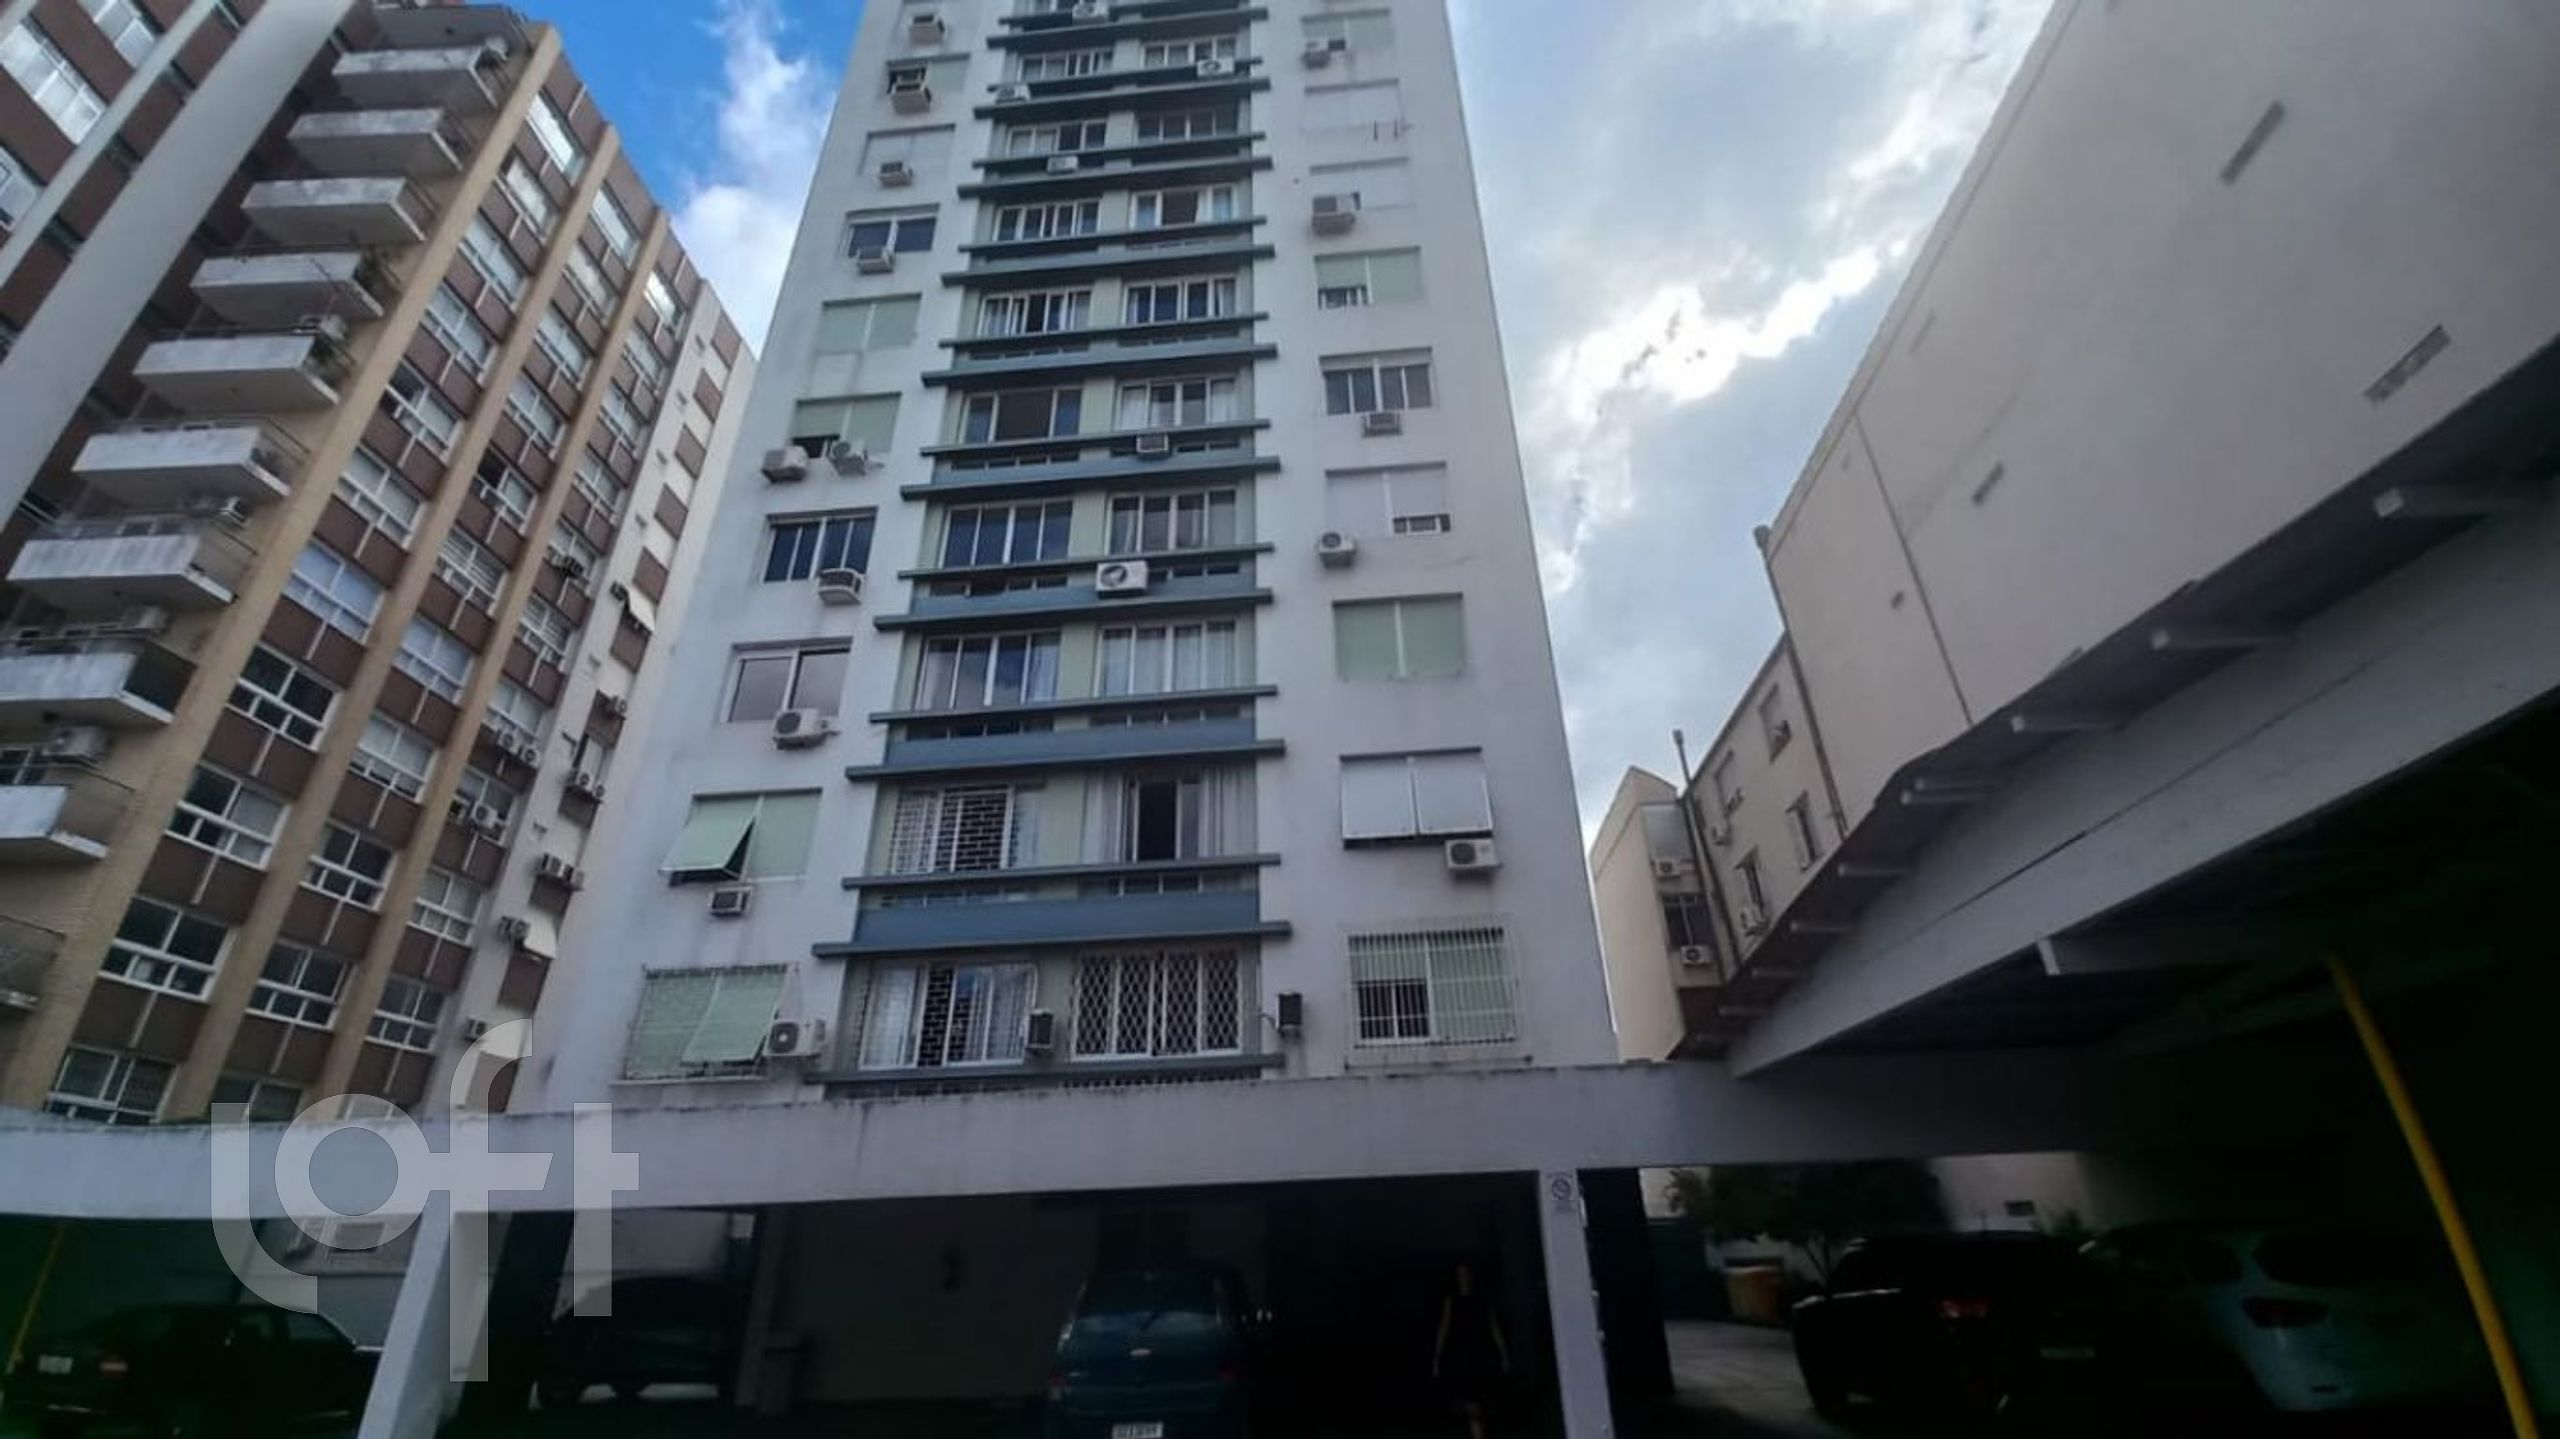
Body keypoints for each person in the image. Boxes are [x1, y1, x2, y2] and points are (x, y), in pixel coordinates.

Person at [1431, 1261, 1509, 1438]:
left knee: (1479, 1401)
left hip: (1480, 1354)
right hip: (1461, 1355)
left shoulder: (1482, 1299)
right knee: (1469, 1401)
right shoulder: (1453, 1300)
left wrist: (1503, 1353)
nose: (1464, 1278)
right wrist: (1437, 1356)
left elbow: (1493, 1326)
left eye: (1466, 1274)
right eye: (1461, 1275)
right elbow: (1444, 1327)